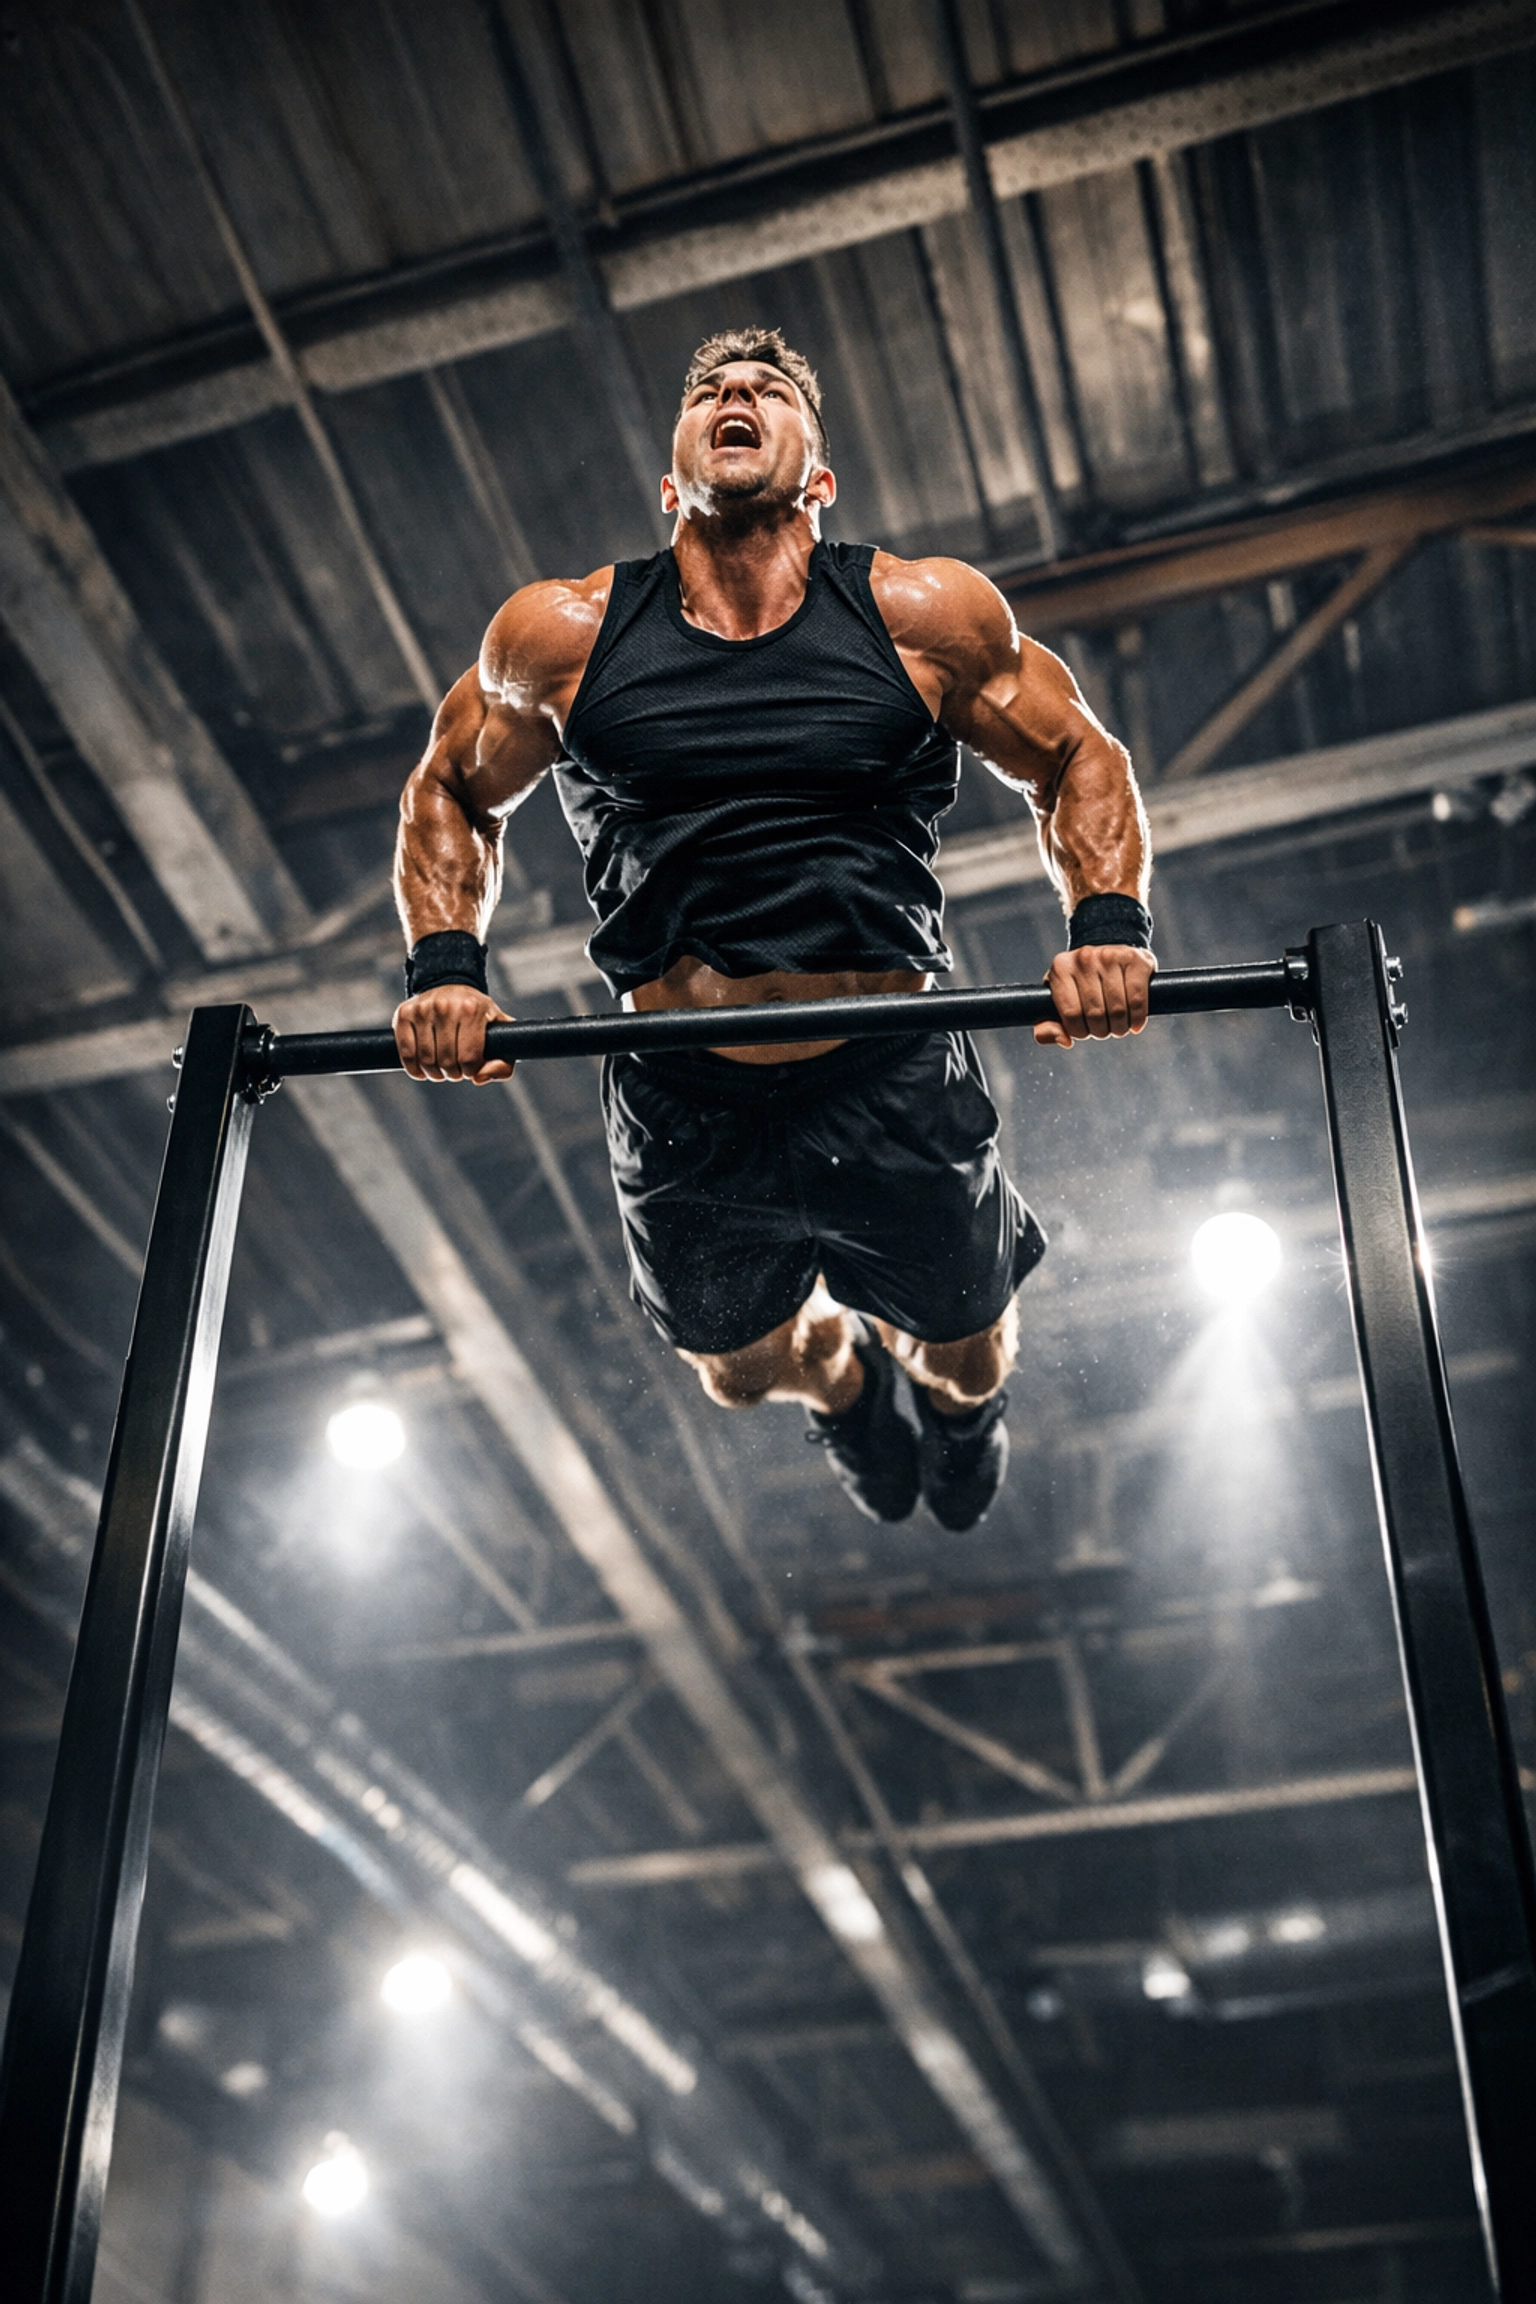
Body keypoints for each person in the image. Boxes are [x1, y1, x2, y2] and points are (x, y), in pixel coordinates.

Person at [392, 327, 1153, 1530]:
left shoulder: (920, 613)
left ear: (820, 475)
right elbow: (449, 785)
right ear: (670, 479)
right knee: (737, 1371)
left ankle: (957, 1417)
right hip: (686, 1089)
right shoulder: (563, 637)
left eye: (767, 391)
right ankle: (843, 1386)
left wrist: (1108, 925)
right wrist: (446, 968)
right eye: (709, 392)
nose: (734, 398)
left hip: (889, 1065)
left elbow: (1077, 755)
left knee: (965, 1350)